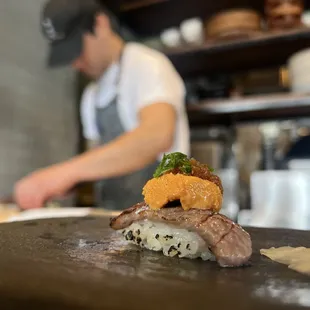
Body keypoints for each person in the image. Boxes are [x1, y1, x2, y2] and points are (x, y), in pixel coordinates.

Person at [14, 0, 190, 210]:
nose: (75, 62)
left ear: (100, 24)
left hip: (163, 216)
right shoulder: (91, 96)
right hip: (112, 218)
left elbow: (157, 136)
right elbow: (98, 161)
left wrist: (64, 173)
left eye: (77, 47)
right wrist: (70, 183)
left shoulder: (147, 64)